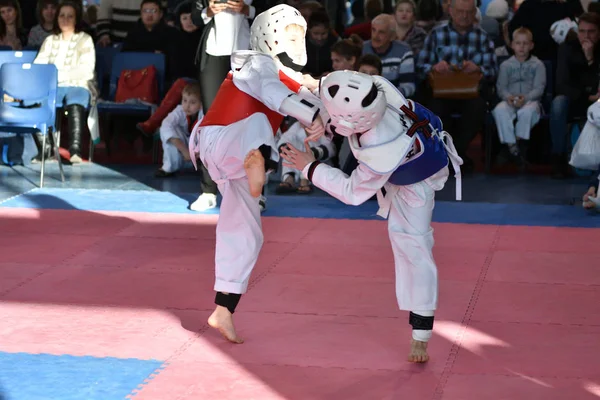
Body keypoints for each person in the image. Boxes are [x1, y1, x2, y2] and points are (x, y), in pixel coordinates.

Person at [280, 70, 462, 363]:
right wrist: (309, 85)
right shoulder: (373, 90)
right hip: (410, 149)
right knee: (405, 243)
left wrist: (309, 167)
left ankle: (421, 333)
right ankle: (421, 330)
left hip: (417, 180)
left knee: (414, 247)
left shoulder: (380, 148)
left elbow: (353, 192)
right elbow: (337, 91)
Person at [187, 4, 325, 344]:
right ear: (269, 35)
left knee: (247, 233)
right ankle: (258, 160)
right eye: (289, 35)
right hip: (219, 141)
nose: (295, 42)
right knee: (261, 123)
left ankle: (224, 309)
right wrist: (311, 114)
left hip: (234, 162)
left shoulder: (291, 80)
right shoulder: (253, 63)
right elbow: (274, 94)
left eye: (299, 35)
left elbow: (321, 98)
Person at [155, 82, 203, 177]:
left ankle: (208, 170)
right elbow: (166, 125)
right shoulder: (179, 111)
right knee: (167, 128)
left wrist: (199, 152)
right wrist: (185, 151)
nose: (187, 106)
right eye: (184, 100)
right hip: (184, 148)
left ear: (201, 104)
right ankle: (169, 168)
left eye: (192, 102)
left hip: (199, 150)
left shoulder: (205, 115)